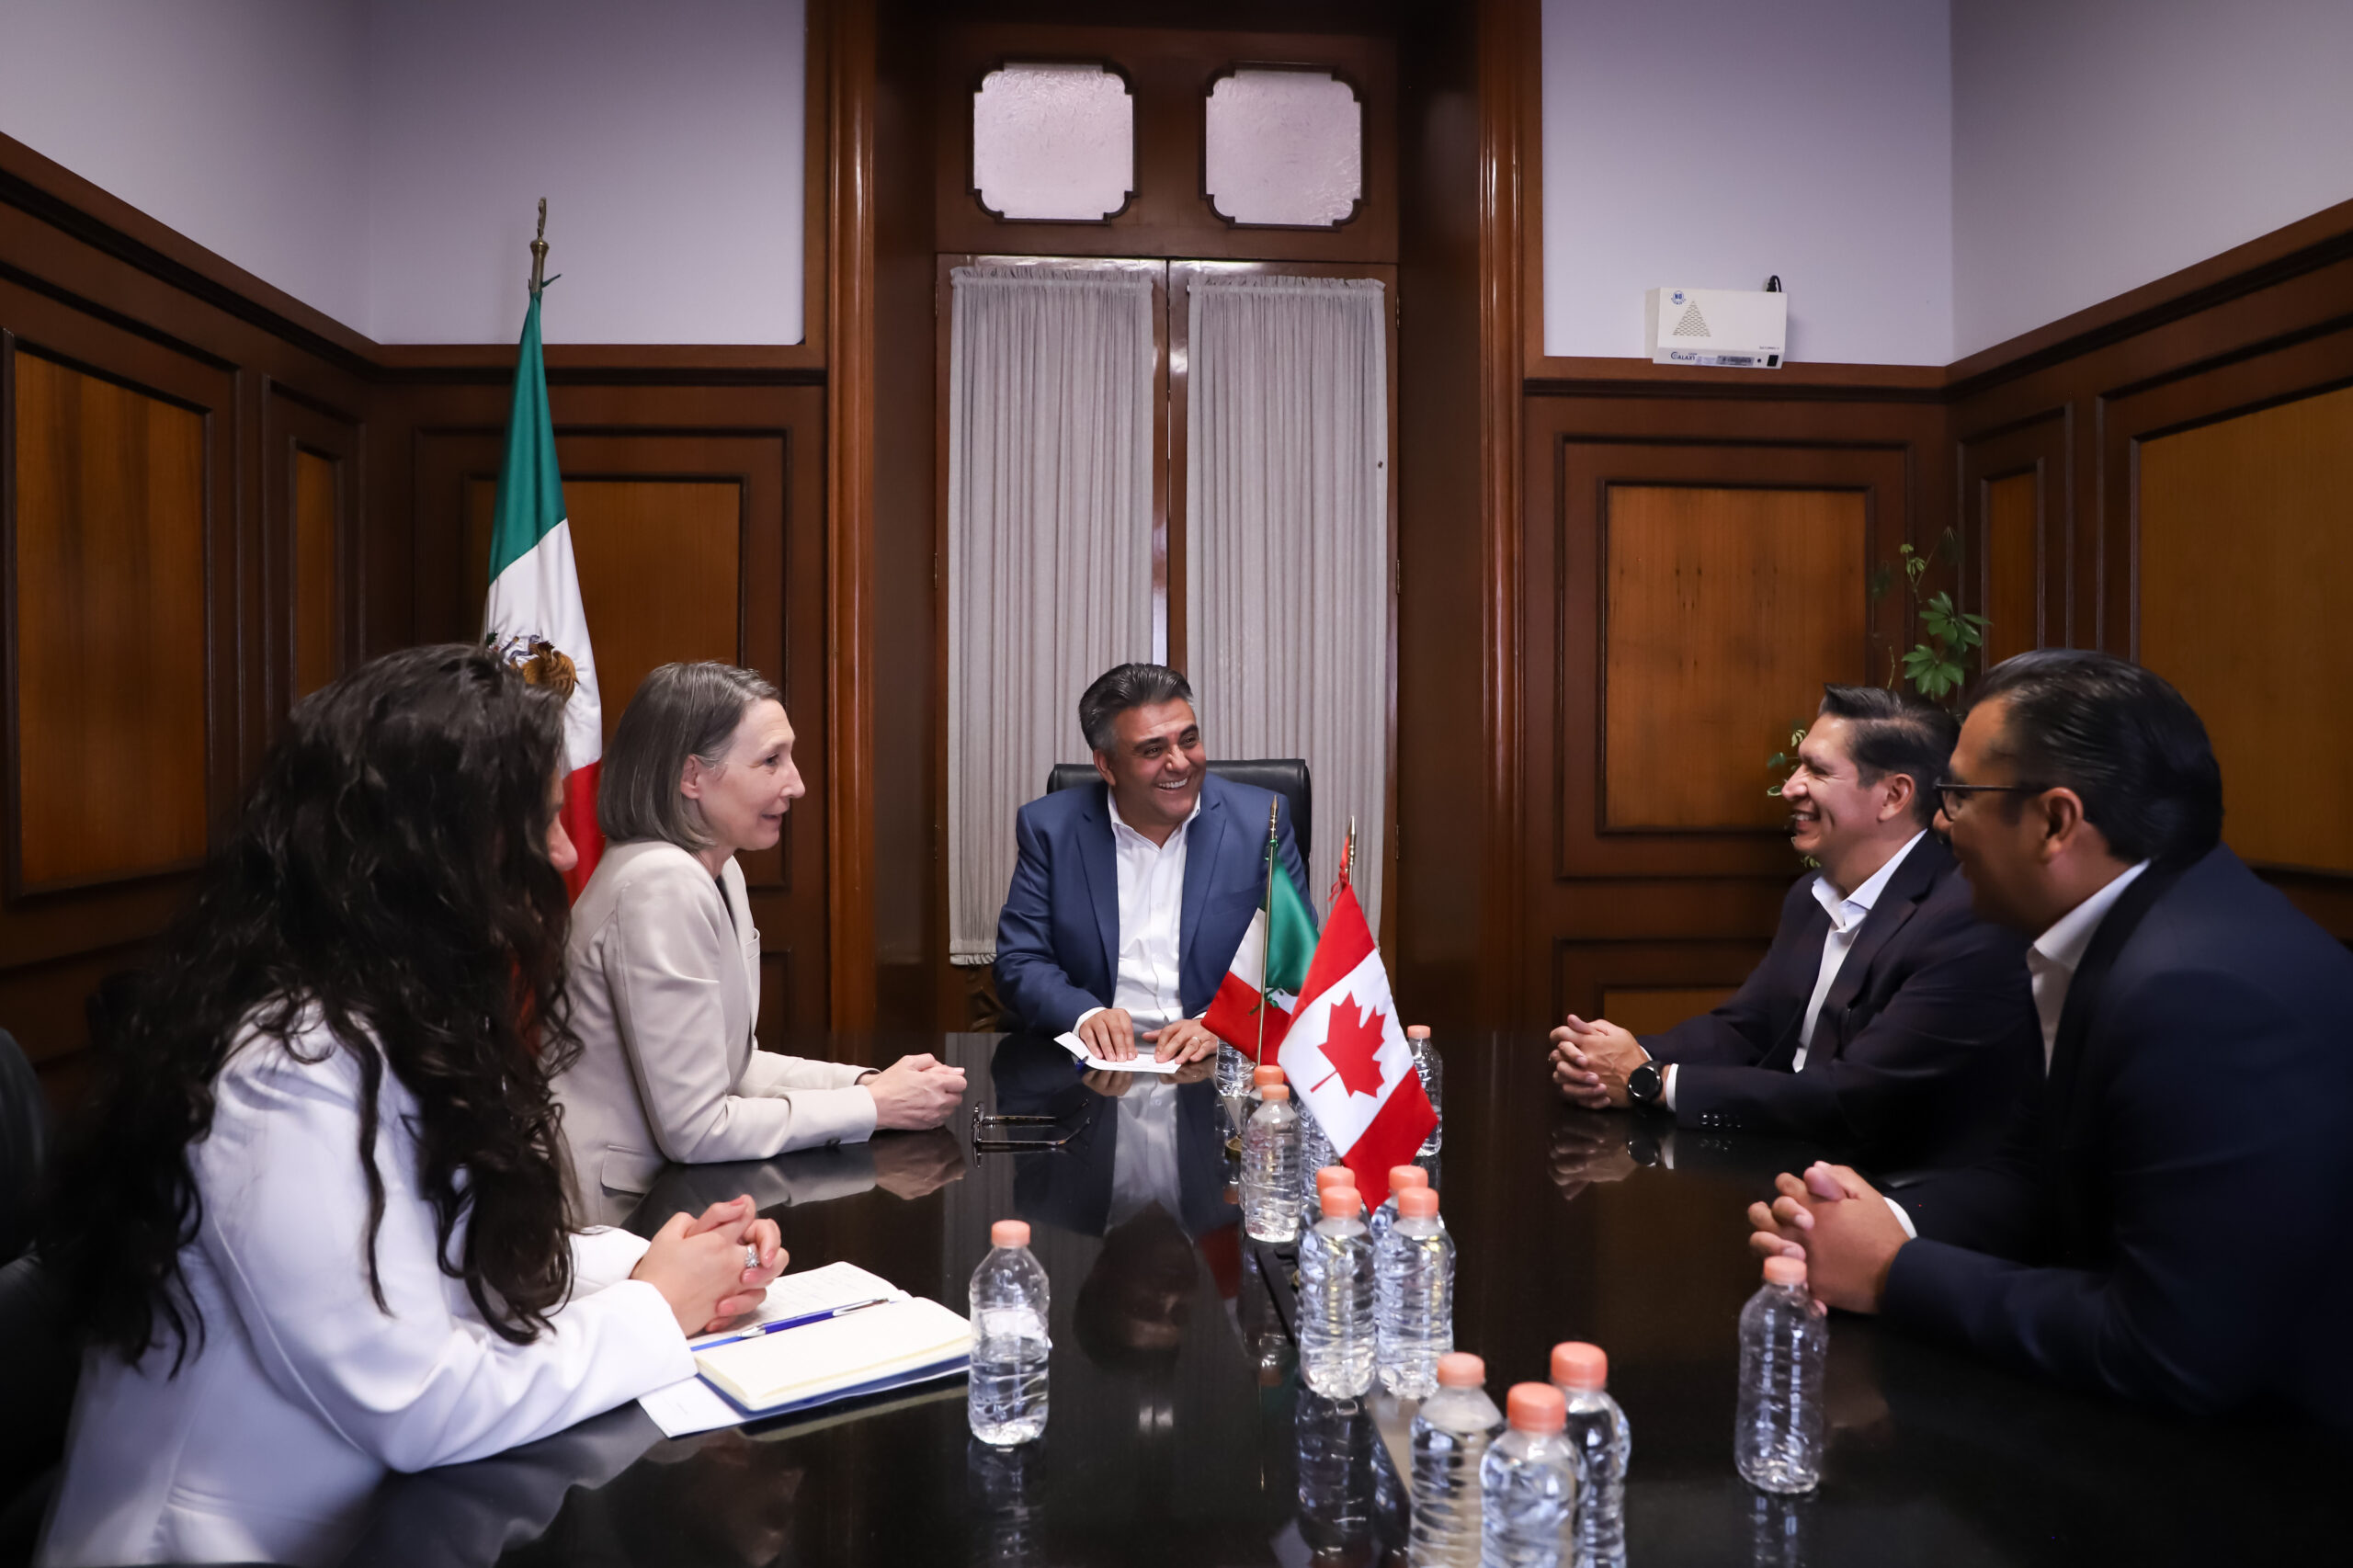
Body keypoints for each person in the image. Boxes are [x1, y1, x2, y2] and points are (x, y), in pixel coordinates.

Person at [36, 646, 786, 1568]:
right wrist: (653, 1306)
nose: (564, 853)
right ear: (439, 848)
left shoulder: (396, 1012)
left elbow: (440, 1250)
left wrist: (664, 1262)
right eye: (545, 821)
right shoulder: (286, 1064)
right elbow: (415, 1399)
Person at [1745, 651, 2353, 1426]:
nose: (1940, 823)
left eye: (1959, 796)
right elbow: (2037, 1169)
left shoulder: (2197, 992)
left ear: (2055, 822)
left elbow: (2173, 1349)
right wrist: (1871, 1224)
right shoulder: (2126, 931)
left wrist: (1895, 1272)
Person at [1551, 685, 2040, 1168]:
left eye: (1817, 771)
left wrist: (1651, 1081)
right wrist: (1610, 1057)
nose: (1789, 788)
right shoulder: (1809, 898)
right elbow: (1746, 1029)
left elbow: (1855, 1094)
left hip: (1887, 1184)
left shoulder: (1967, 915)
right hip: (1784, 1156)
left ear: (1893, 795)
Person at [553, 663, 963, 1222]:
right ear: (692, 775)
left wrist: (867, 1084)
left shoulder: (720, 870)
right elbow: (698, 1129)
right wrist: (871, 1106)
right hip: (615, 1217)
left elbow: (733, 1069)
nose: (796, 784)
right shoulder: (660, 882)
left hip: (676, 1197)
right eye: (772, 760)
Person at [995, 663, 1313, 1063]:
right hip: (1095, 1063)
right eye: (1152, 750)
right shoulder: (1050, 829)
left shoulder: (1261, 822)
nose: (1179, 762)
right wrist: (1084, 1015)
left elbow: (1295, 959)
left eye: (1189, 740)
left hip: (1215, 1060)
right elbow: (1020, 959)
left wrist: (1223, 1024)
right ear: (1107, 765)